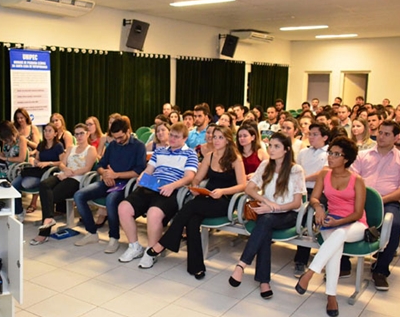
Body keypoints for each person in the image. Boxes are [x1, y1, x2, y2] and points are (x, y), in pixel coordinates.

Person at [145, 126, 246, 277]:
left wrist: (223, 191)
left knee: (190, 206)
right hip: (206, 196)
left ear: (227, 140)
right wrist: (195, 186)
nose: (216, 140)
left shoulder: (235, 159)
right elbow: (197, 177)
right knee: (191, 221)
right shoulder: (210, 156)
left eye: (220, 137)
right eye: (215, 136)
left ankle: (164, 243)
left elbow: (243, 185)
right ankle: (196, 267)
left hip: (224, 200)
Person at [228, 132, 306, 299]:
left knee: (266, 220)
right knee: (265, 227)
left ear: (286, 149)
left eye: (276, 146)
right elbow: (249, 188)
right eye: (270, 145)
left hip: (288, 214)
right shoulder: (265, 165)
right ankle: (264, 282)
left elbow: (297, 203)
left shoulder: (295, 169)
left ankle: (242, 265)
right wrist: (265, 200)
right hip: (267, 213)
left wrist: (274, 208)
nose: (271, 149)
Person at [295, 137, 366, 317]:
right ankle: (331, 296)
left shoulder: (357, 180)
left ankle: (309, 274)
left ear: (346, 158)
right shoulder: (324, 175)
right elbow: (314, 198)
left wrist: (338, 223)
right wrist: (319, 208)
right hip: (330, 221)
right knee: (335, 249)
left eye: (336, 154)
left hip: (355, 224)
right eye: (330, 153)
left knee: (339, 234)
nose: (331, 157)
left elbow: (358, 213)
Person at [118, 122, 199, 266]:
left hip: (171, 190)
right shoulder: (160, 151)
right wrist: (142, 176)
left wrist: (172, 186)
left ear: (185, 138)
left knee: (154, 213)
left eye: (177, 137)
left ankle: (151, 251)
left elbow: (189, 177)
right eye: (171, 135)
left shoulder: (190, 153)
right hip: (152, 186)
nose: (172, 139)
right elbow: (149, 169)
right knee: (123, 208)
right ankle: (134, 246)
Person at [73, 118, 146, 253]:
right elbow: (100, 165)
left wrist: (116, 175)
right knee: (79, 195)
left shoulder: (138, 146)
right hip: (108, 181)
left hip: (126, 184)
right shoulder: (112, 145)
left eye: (120, 137)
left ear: (128, 131)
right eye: (115, 138)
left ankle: (114, 238)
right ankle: (92, 233)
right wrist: (105, 174)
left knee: (111, 199)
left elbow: (139, 171)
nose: (117, 141)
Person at [350, 120, 400, 290]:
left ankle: (381, 270)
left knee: (395, 225)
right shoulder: (363, 155)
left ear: (396, 137)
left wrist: (381, 200)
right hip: (361, 199)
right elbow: (352, 178)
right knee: (342, 217)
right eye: (380, 133)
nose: (381, 137)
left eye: (387, 134)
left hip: (388, 202)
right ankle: (343, 263)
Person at [30, 123, 97, 245]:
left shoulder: (91, 149)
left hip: (77, 179)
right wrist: (65, 170)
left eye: (82, 133)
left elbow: (87, 168)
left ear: (87, 134)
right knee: (44, 185)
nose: (79, 136)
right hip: (63, 174)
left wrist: (69, 173)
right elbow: (62, 163)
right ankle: (49, 219)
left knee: (52, 196)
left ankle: (44, 233)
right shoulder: (71, 148)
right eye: (76, 134)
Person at [293, 123, 330, 277]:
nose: (311, 137)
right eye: (310, 134)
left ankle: (301, 259)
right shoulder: (303, 152)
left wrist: (303, 177)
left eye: (315, 134)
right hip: (300, 187)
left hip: (319, 189)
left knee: (307, 213)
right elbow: (295, 168)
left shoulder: (329, 153)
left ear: (325, 137)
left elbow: (323, 173)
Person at [12, 122, 65, 216]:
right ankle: (19, 211)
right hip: (38, 170)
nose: (47, 133)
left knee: (26, 184)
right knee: (14, 185)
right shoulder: (41, 144)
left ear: (55, 133)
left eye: (50, 131)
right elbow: (37, 158)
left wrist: (48, 163)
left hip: (50, 172)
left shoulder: (58, 146)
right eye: (45, 131)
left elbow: (62, 162)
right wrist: (35, 161)